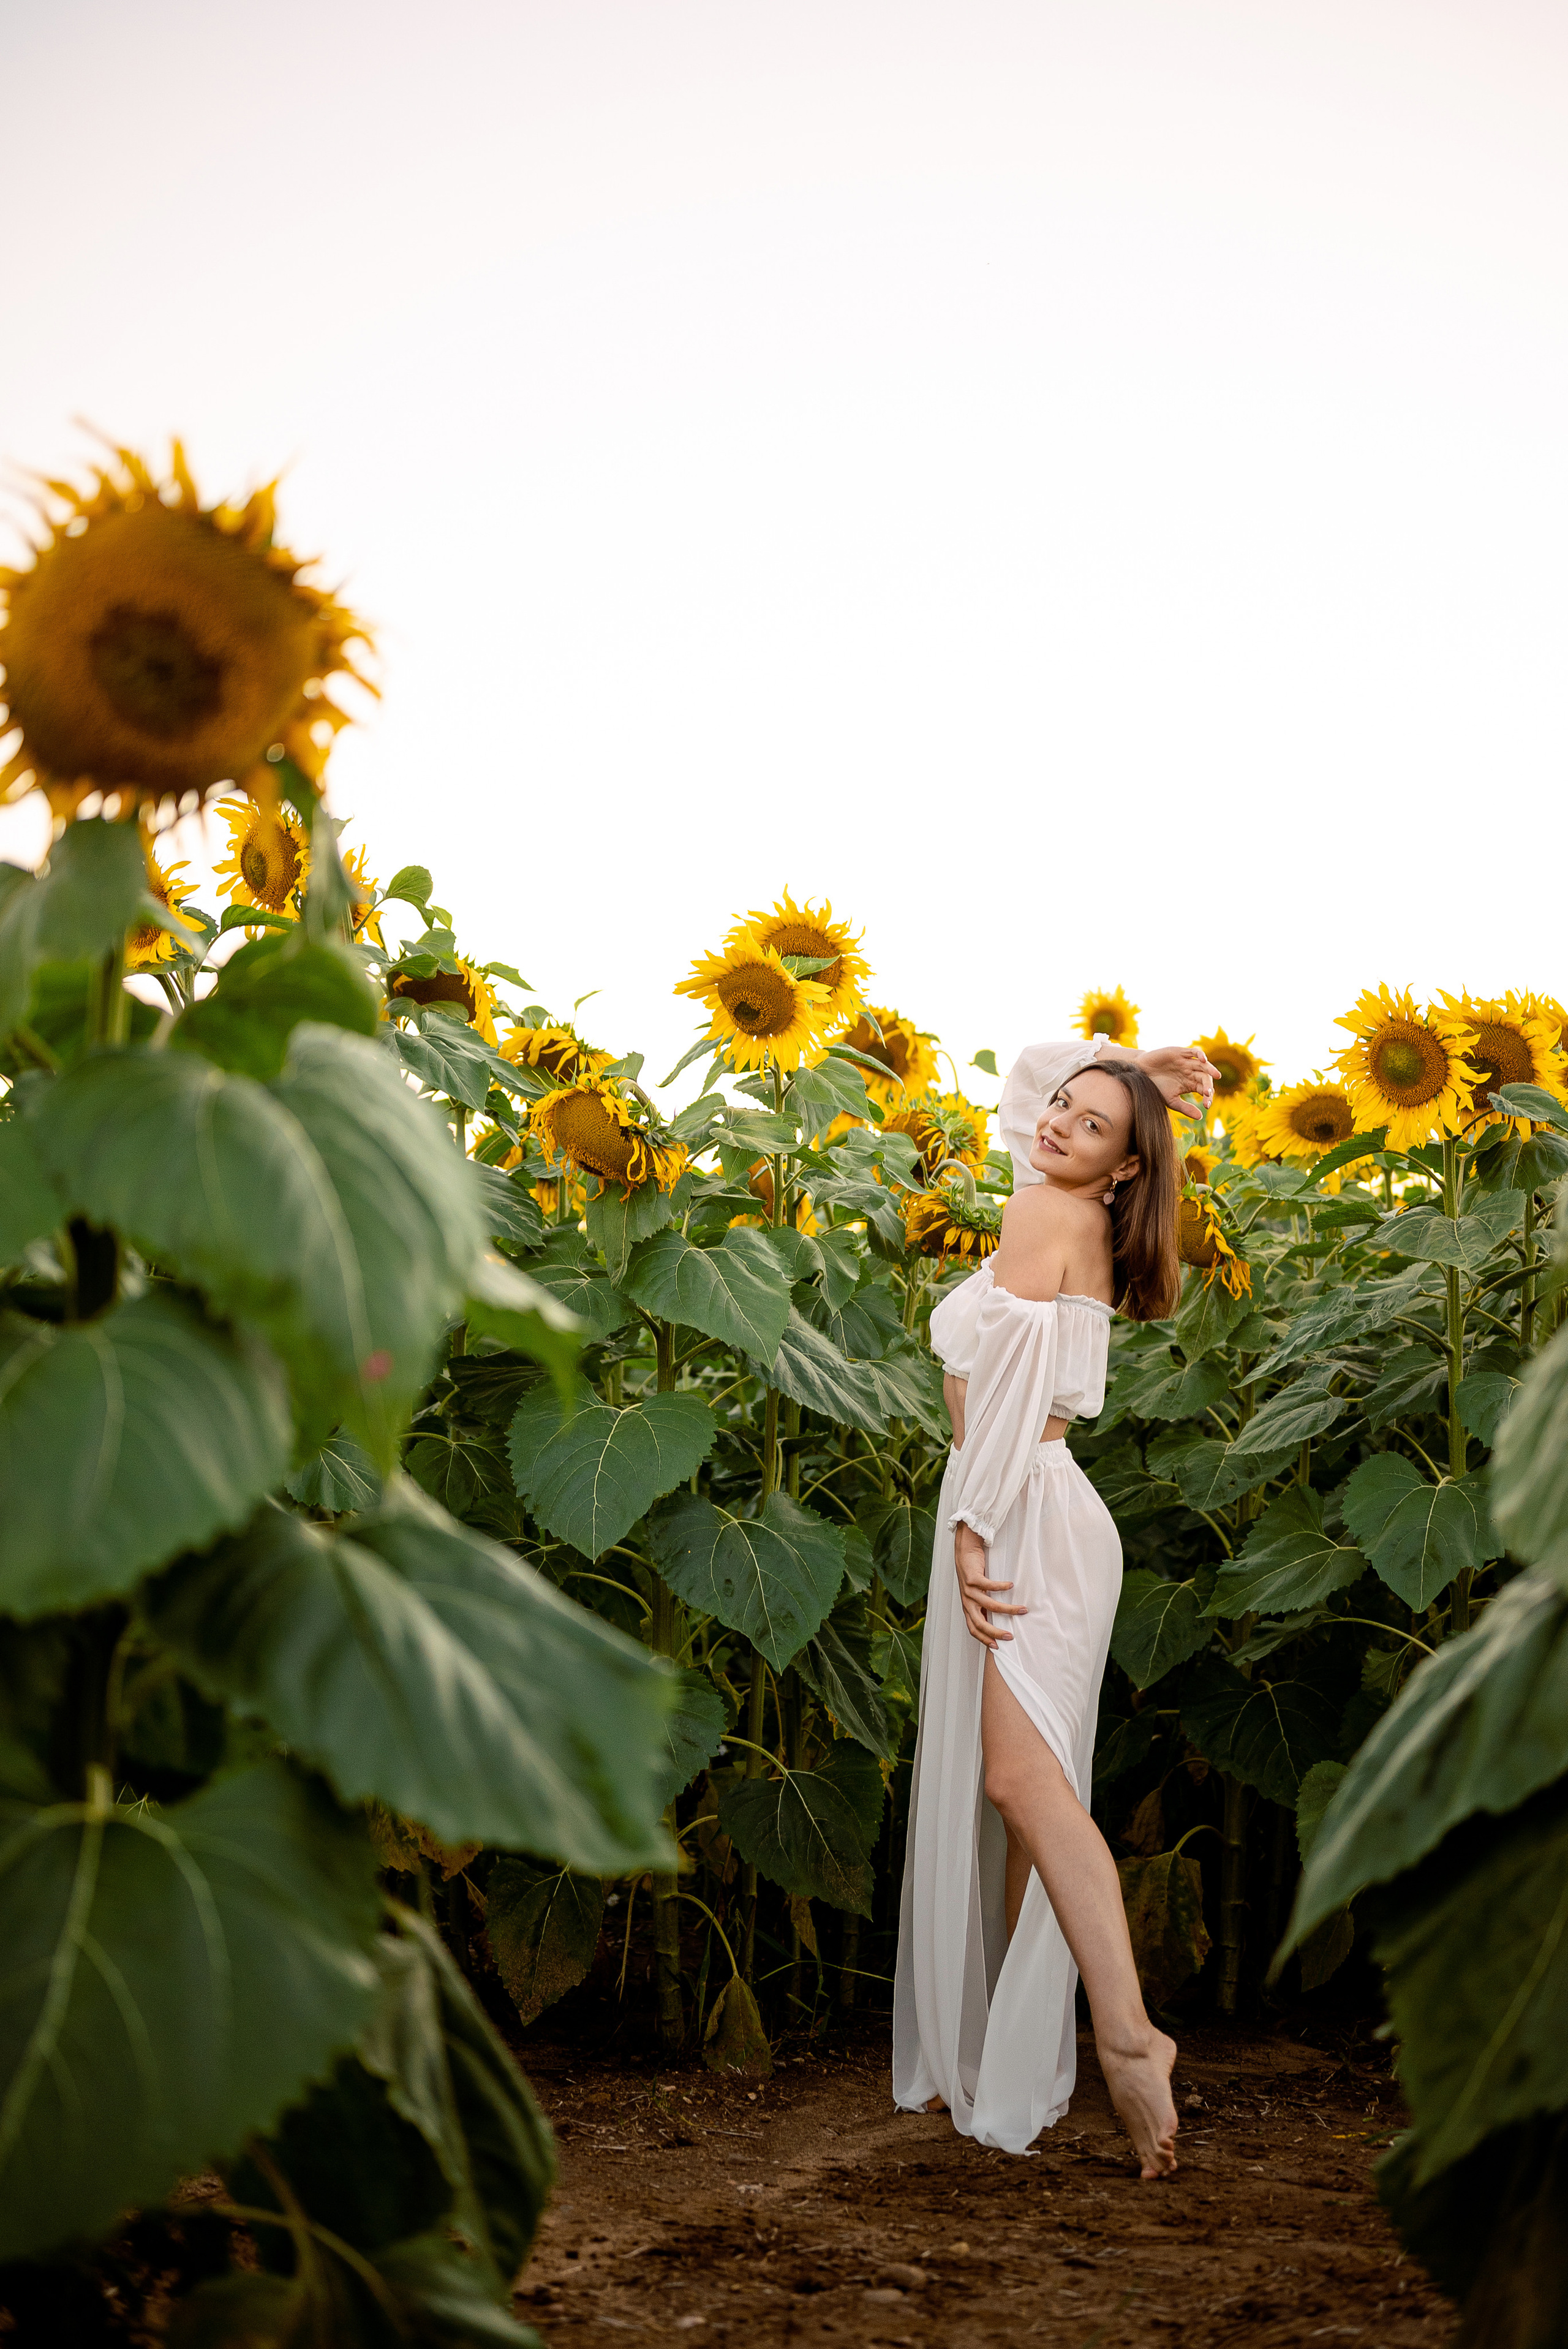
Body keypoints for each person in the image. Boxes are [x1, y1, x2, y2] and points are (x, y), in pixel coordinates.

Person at [892, 1032, 1219, 2177]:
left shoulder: (1044, 1216)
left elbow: (1009, 1394)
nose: (1058, 1123)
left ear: (1124, 1171)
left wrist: (973, 1526)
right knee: (1031, 1788)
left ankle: (1131, 2038)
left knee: (1022, 1782)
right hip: (1031, 1506)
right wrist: (1136, 1075)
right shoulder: (1070, 1202)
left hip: (1020, 1511)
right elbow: (1038, 1079)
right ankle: (1021, 2051)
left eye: (1092, 1129)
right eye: (1064, 1110)